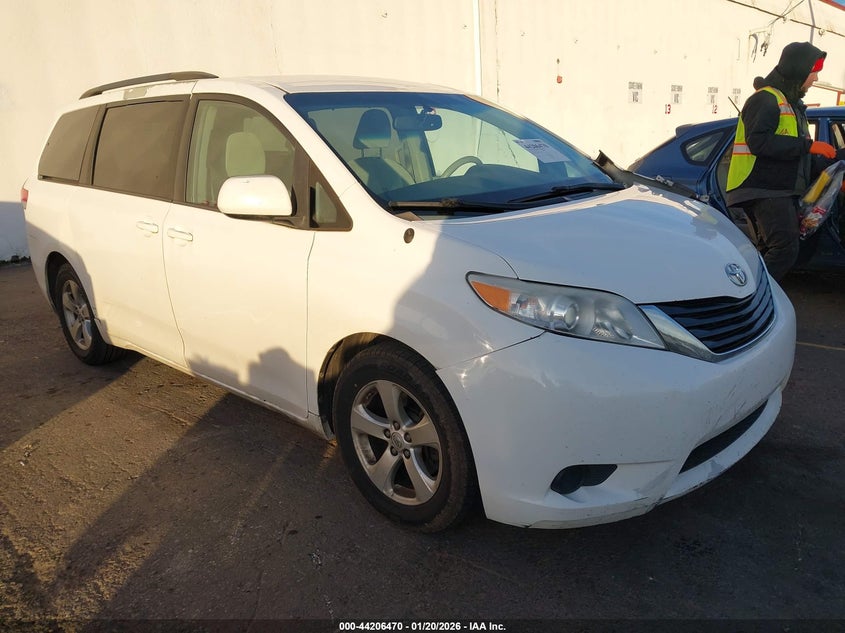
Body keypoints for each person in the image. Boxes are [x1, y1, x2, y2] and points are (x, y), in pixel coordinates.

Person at [726, 41, 837, 281]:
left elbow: (799, 158)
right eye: (813, 71)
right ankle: (754, 298)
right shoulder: (765, 99)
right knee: (785, 248)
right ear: (798, 69)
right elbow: (759, 142)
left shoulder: (792, 104)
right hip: (762, 187)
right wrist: (809, 145)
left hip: (777, 189)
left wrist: (833, 180)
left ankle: (752, 298)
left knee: (774, 249)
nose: (816, 78)